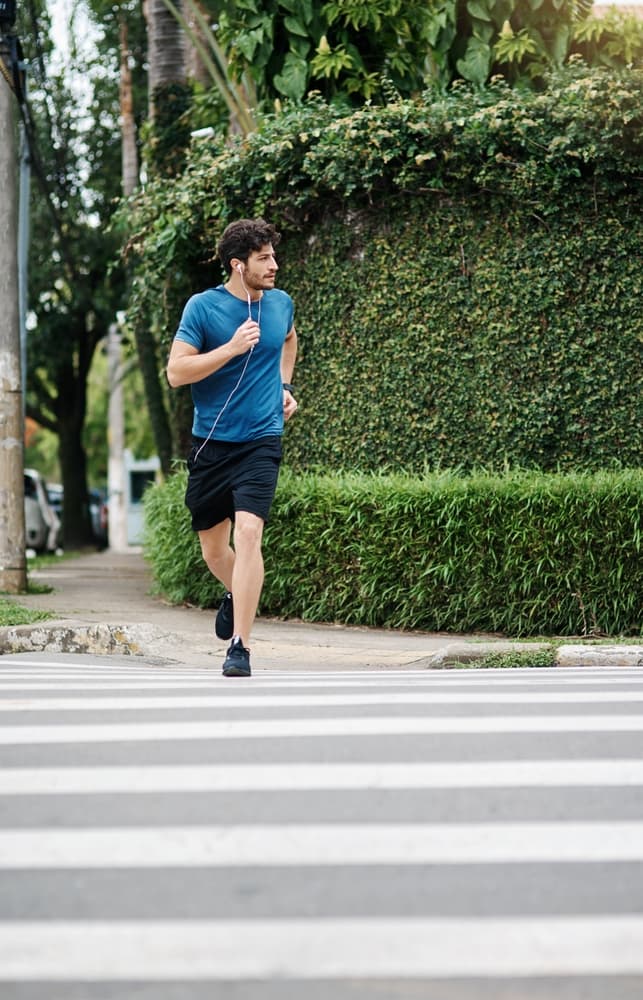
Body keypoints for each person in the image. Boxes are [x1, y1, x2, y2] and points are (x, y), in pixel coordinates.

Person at [166, 218, 298, 677]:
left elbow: (289, 339)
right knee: (215, 551)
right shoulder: (203, 308)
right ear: (238, 265)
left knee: (249, 535)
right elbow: (177, 373)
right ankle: (234, 590)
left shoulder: (280, 304)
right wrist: (230, 349)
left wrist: (284, 385)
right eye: (264, 258)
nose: (274, 265)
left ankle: (239, 647)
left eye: (273, 256)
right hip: (211, 445)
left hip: (262, 439)